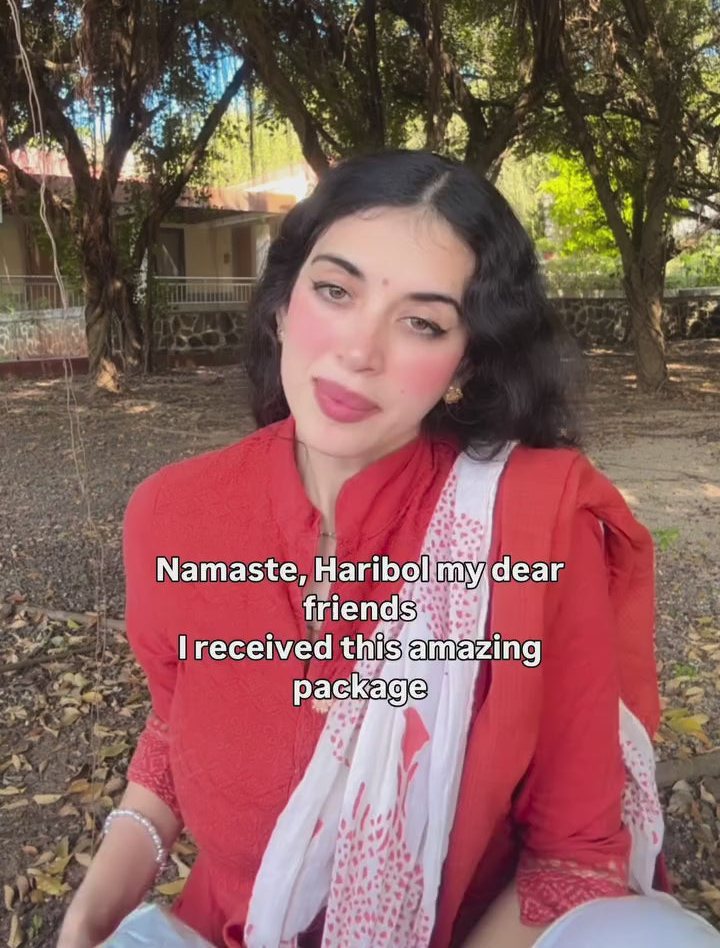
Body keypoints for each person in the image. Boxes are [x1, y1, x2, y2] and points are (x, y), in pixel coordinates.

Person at [57, 150, 720, 948]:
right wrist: (94, 908)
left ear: (464, 363)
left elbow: (572, 857)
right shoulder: (173, 515)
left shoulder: (533, 525)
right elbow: (173, 731)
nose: (359, 351)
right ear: (282, 305)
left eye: (421, 322)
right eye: (336, 291)